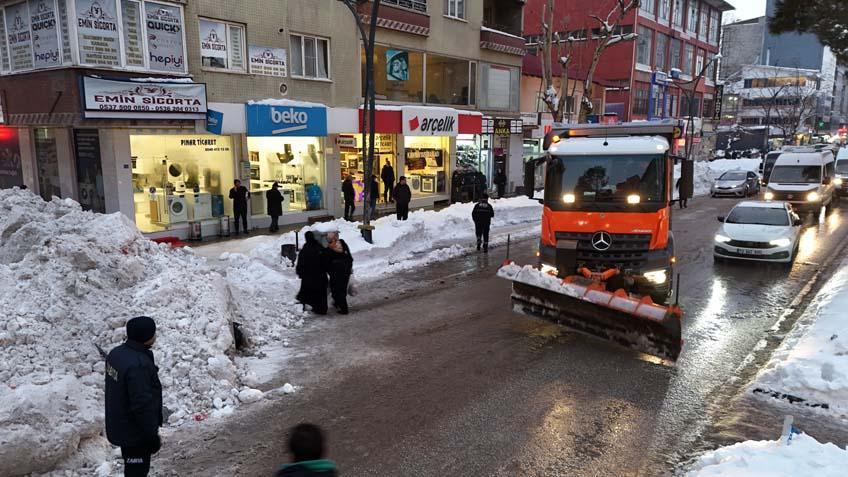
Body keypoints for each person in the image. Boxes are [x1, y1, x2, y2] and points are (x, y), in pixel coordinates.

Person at [105, 316, 163, 477]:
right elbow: (142, 404)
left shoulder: (116, 354)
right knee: (137, 472)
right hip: (136, 433)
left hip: (120, 424)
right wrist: (151, 435)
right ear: (146, 336)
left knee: (132, 469)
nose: (155, 335)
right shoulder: (138, 365)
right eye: (154, 332)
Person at [296, 232, 329, 315]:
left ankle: (310, 305)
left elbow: (301, 262)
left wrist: (300, 272)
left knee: (308, 291)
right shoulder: (319, 247)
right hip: (320, 275)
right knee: (321, 293)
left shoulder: (305, 249)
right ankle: (322, 309)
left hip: (309, 276)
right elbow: (326, 259)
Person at [324, 231, 353, 315]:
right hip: (345, 270)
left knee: (337, 290)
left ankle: (344, 309)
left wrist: (328, 270)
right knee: (342, 288)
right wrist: (349, 267)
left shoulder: (329, 248)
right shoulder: (342, 243)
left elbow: (326, 261)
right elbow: (349, 257)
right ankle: (338, 303)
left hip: (336, 272)